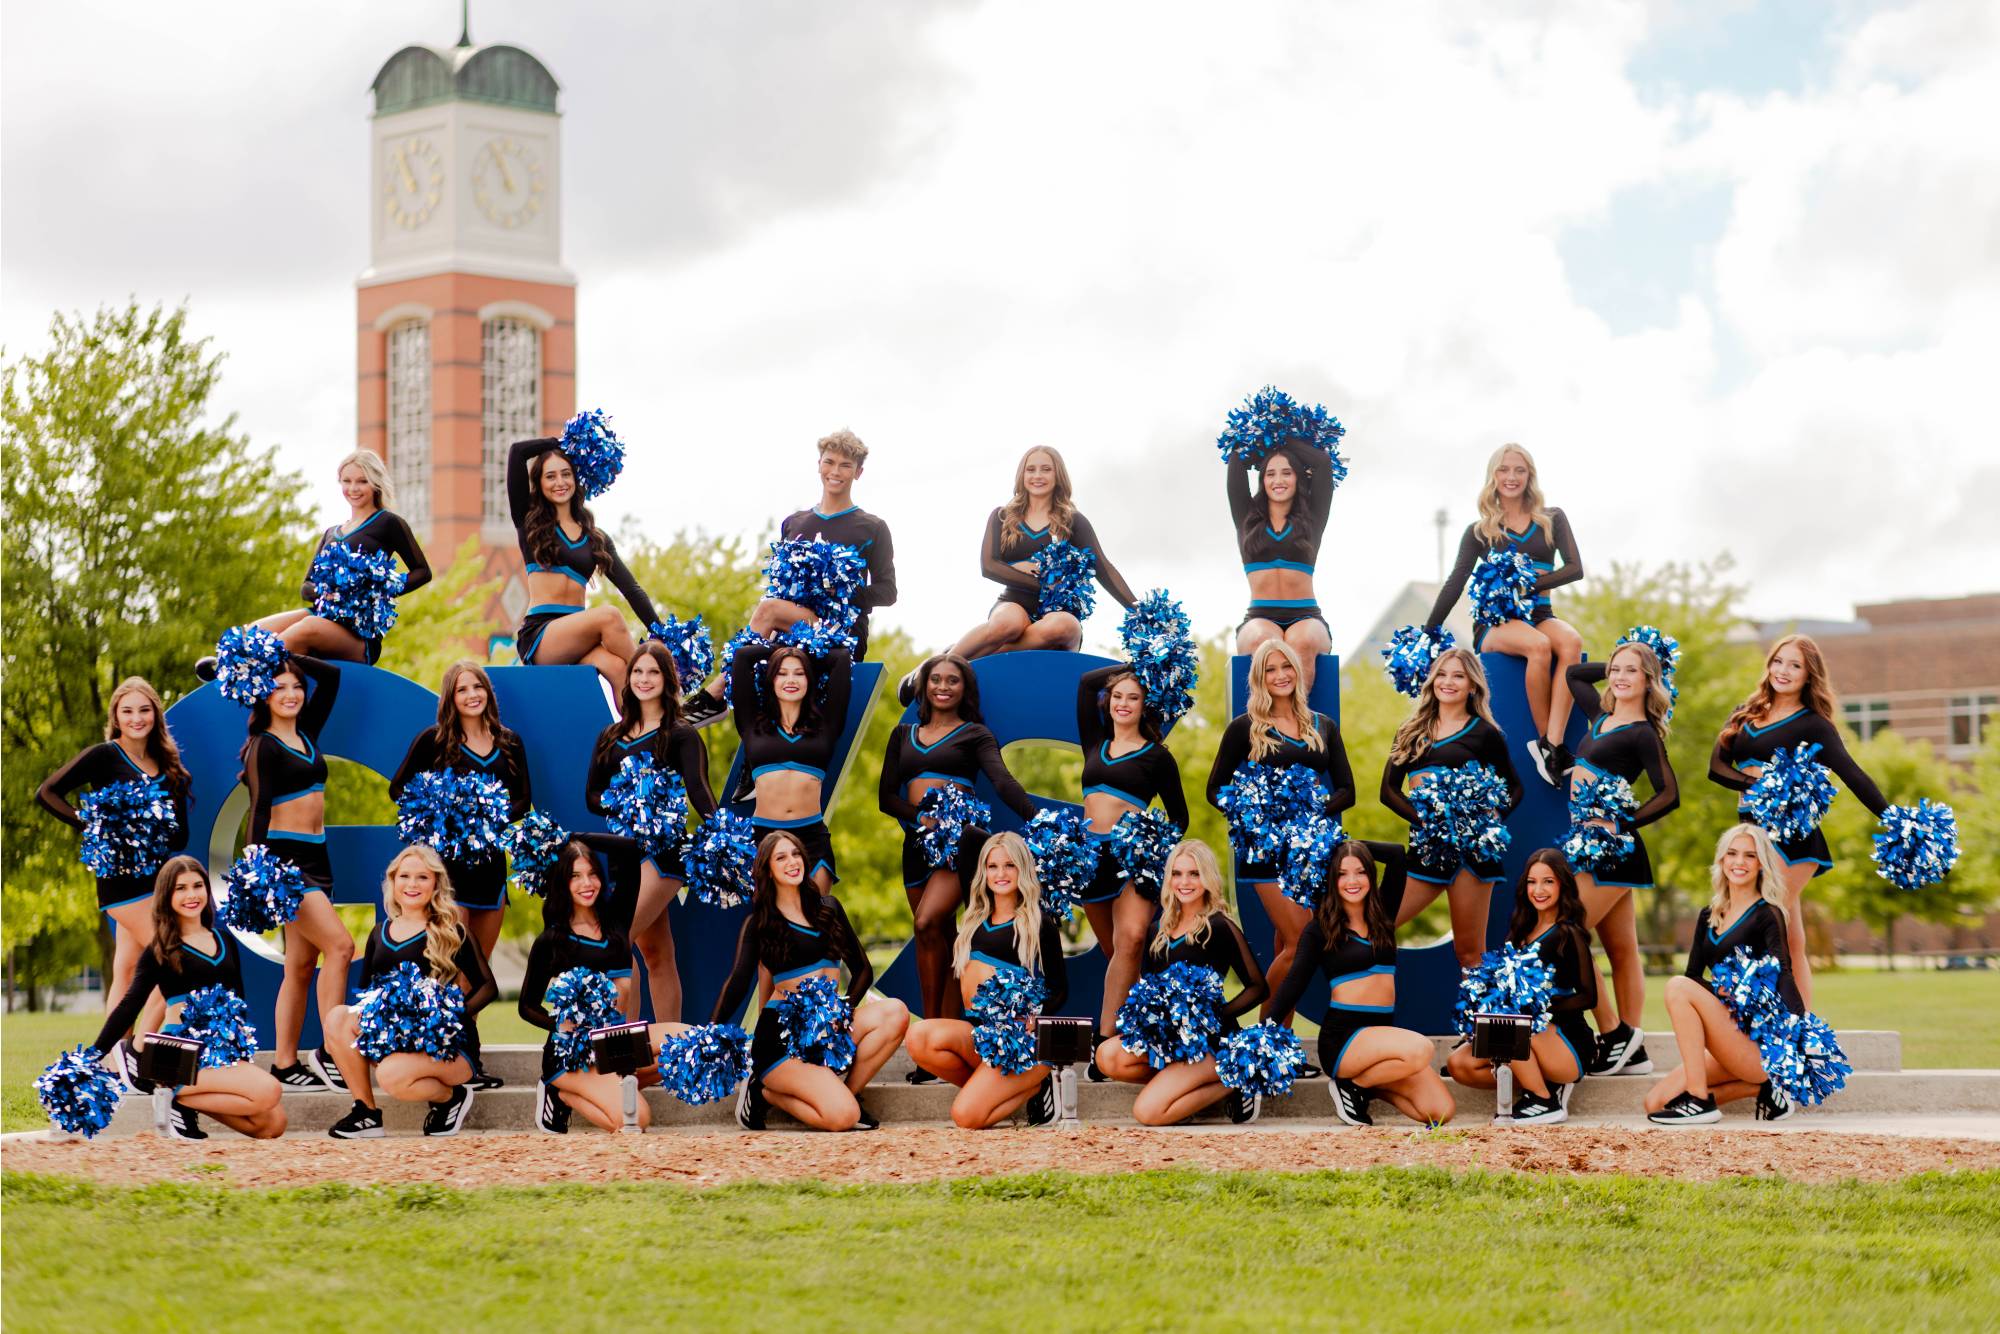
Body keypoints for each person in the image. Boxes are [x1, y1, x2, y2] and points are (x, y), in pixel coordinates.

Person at [1708, 633, 1887, 1006]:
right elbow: (1716, 769)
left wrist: (1892, 818)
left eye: (1795, 665)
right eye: (1778, 661)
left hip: (1793, 841)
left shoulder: (1814, 725)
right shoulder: (1745, 713)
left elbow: (1851, 773)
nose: (1784, 671)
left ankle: (1763, 1013)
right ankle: (1800, 1020)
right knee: (1790, 937)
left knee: (1758, 919)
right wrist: (1758, 783)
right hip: (1751, 836)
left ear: (1809, 676)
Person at [1205, 638, 1354, 1072]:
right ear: (1259, 678)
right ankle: (1263, 1042)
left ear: (1297, 672)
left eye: (1286, 667)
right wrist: (1256, 816)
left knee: (1284, 946)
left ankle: (1279, 1047)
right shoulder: (1245, 728)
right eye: (1270, 669)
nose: (1280, 675)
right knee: (1299, 940)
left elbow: (1347, 790)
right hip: (1265, 853)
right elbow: (1215, 789)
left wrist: (1311, 812)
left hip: (1309, 853)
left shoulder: (1322, 726)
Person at [36, 677, 192, 1077]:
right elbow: (47, 792)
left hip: (157, 881)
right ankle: (138, 1051)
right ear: (116, 717)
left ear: (155, 715)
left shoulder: (167, 765)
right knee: (175, 962)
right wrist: (94, 826)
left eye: (144, 710)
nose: (137, 718)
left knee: (126, 969)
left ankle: (111, 1061)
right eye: (128, 711)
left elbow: (179, 837)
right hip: (121, 882)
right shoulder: (104, 756)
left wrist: (154, 820)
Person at [879, 654, 1038, 1045]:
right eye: (936, 679)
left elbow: (1002, 782)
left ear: (965, 688)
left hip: (958, 844)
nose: (943, 686)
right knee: (936, 937)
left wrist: (1039, 819)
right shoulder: (902, 735)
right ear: (924, 685)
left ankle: (929, 1032)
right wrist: (922, 819)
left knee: (926, 922)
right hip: (916, 843)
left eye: (953, 680)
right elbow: (886, 798)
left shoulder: (975, 734)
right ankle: (943, 1038)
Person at [686, 429, 895, 724]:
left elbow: (888, 592)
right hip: (789, 627)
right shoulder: (795, 523)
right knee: (765, 643)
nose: (835, 472)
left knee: (768, 610)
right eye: (829, 462)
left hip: (840, 632)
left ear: (858, 473)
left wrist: (836, 591)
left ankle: (715, 695)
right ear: (819, 464)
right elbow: (780, 587)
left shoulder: (872, 527)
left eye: (845, 466)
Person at [389, 659, 531, 1087]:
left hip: (491, 869)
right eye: (462, 689)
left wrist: (485, 811)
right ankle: (457, 1055)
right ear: (450, 698)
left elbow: (523, 799)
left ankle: (462, 1055)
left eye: (478, 687)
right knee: (452, 969)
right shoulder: (434, 741)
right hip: (449, 875)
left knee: (479, 973)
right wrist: (448, 810)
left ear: (488, 692)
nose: (472, 695)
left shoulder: (509, 742)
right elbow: (399, 789)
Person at [714, 831, 910, 1132]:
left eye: (795, 854)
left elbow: (862, 971)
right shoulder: (761, 923)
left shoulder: (828, 908)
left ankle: (847, 1094)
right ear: (768, 870)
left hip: (826, 1031)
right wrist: (711, 1032)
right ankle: (763, 1092)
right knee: (842, 1118)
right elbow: (737, 984)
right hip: (782, 1041)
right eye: (781, 857)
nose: (792, 862)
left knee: (895, 1012)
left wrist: (842, 1014)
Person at [87, 857, 286, 1141]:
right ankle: (167, 1084)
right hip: (177, 1052)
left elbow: (237, 1003)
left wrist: (240, 1055)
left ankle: (178, 1100)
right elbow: (129, 1005)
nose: (191, 895)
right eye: (180, 889)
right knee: (269, 1090)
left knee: (273, 1124)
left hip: (218, 1049)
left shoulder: (224, 940)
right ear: (166, 896)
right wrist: (93, 1055)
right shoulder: (161, 948)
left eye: (197, 886)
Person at [1424, 444, 1584, 785]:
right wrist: (1429, 631)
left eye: (1519, 470)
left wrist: (1527, 585)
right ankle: (1544, 744)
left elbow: (1574, 568)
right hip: (1496, 623)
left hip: (1540, 614)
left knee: (1571, 641)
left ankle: (1554, 743)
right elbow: (1455, 582)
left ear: (1530, 476)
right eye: (1504, 469)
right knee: (1539, 646)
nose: (1512, 477)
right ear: (1493, 476)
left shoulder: (1552, 519)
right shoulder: (1480, 531)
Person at [1266, 841, 1454, 1127]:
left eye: (1360, 872)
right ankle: (1351, 1086)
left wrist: (1342, 843)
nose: (1352, 881)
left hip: (1380, 1038)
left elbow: (1397, 855)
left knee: (1441, 1111)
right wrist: (1265, 1031)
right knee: (1421, 1049)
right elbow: (1293, 983)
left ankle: (1364, 1087)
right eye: (1342, 874)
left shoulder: (1384, 914)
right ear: (1332, 878)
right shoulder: (1320, 929)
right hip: (1344, 1039)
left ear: (1370, 875)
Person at [238, 654, 359, 1094]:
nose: (290, 694)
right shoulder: (263, 745)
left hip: (318, 856)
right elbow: (259, 809)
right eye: (279, 686)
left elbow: (332, 676)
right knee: (341, 947)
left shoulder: (307, 732)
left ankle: (285, 1063)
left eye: (295, 686)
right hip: (285, 862)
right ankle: (331, 1049)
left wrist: (283, 654)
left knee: (301, 965)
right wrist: (257, 867)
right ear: (263, 696)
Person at [321, 845, 495, 1139]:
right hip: (397, 1042)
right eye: (404, 876)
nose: (412, 884)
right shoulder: (379, 933)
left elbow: (488, 987)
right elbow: (367, 994)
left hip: (447, 1048)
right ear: (393, 881)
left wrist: (449, 1017)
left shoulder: (451, 931)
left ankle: (450, 1097)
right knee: (337, 1017)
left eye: (422, 877)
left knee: (389, 1075)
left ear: (436, 883)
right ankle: (366, 1112)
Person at [199, 451, 430, 671]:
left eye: (362, 481)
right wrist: (327, 593)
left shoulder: (388, 522)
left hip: (359, 635)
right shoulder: (331, 533)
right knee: (254, 630)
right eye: (347, 481)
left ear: (376, 483)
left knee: (307, 628)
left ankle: (248, 668)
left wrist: (375, 590)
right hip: (323, 615)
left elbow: (422, 571)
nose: (353, 488)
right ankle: (231, 667)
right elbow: (306, 587)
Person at [584, 642, 716, 1022]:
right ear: (628, 680)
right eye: (638, 671)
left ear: (667, 680)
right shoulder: (610, 736)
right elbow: (592, 796)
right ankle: (666, 1047)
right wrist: (629, 801)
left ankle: (630, 1045)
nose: (644, 679)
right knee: (657, 954)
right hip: (624, 855)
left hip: (664, 854)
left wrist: (722, 834)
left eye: (653, 672)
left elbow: (699, 792)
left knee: (616, 940)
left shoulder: (680, 734)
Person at [1094, 840, 1269, 1125]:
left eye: (1194, 874)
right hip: (1170, 1042)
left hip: (1207, 1043)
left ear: (1207, 878)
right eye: (1177, 873)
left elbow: (1258, 987)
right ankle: (1181, 1088)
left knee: (1147, 1113)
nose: (1184, 882)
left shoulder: (1219, 926)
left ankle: (1236, 1077)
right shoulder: (1157, 931)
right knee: (1107, 1056)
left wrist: (1212, 1016)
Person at [1564, 646, 1679, 1076]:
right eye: (1615, 670)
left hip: (1611, 849)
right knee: (1621, 949)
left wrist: (1621, 822)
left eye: (1632, 671)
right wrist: (1625, 660)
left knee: (1567, 934)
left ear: (1649, 680)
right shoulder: (1600, 715)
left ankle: (1614, 1033)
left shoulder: (1643, 733)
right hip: (1587, 845)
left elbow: (1669, 794)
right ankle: (1634, 1050)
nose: (1619, 676)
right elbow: (1575, 675)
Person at [905, 832, 1072, 1128]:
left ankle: (1034, 1085)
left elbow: (1059, 989)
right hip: (980, 1035)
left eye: (1009, 865)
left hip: (1015, 1042)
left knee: (964, 1116)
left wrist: (1034, 1018)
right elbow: (969, 838)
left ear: (1022, 868)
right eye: (992, 866)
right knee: (918, 1037)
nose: (1000, 874)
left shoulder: (1037, 922)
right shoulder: (974, 918)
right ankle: (999, 1090)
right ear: (982, 871)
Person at [1070, 662, 1189, 1069]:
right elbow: (1086, 683)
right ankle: (1142, 1031)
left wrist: (1151, 848)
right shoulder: (1094, 742)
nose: (1123, 703)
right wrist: (1137, 665)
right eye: (1117, 696)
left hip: (1132, 859)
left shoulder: (1157, 757)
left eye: (1133, 697)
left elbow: (1179, 817)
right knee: (1116, 953)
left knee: (1133, 939)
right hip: (1089, 859)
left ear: (1144, 705)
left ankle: (1102, 1041)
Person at [1645, 825, 1807, 1125]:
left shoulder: (1767, 913)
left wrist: (1799, 1027)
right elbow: (1693, 976)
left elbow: (1784, 972)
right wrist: (1722, 992)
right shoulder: (1708, 915)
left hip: (1756, 1045)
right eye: (1732, 854)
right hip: (1727, 1035)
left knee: (1677, 986)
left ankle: (1699, 1100)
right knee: (1655, 1103)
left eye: (1750, 855)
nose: (1739, 862)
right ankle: (1764, 1089)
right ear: (1722, 860)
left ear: (1761, 864)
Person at [1379, 648, 1522, 969]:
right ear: (1432, 681)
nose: (1448, 682)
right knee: (1375, 926)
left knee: (1470, 953)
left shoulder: (1485, 733)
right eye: (1442, 674)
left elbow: (1515, 788)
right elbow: (1388, 791)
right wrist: (1428, 823)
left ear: (1472, 686)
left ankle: (1479, 1005)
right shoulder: (1410, 730)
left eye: (1458, 676)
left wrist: (1487, 825)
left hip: (1471, 856)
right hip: (1427, 851)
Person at [941, 446, 1138, 664]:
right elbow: (989, 566)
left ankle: (973, 655)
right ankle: (939, 667)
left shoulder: (1073, 521)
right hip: (1013, 603)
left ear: (1058, 475)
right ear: (1022, 475)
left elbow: (1103, 568)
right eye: (1031, 469)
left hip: (1057, 613)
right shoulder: (1002, 516)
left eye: (1046, 469)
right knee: (1008, 623)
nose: (1037, 476)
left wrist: (1138, 610)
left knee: (1063, 627)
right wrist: (1042, 583)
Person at [1444, 851, 1597, 1124]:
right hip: (1523, 1032)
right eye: (1531, 882)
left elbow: (1588, 997)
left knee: (1512, 1020)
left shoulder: (1567, 934)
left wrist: (1537, 1007)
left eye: (1548, 881)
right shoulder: (1521, 931)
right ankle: (1538, 1082)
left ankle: (1543, 1100)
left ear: (1562, 884)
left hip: (1565, 1044)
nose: (1538, 890)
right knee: (1460, 1064)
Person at [505, 434, 661, 691]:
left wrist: (662, 633)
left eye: (566, 474)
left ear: (576, 479)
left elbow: (632, 590)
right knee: (609, 616)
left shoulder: (596, 538)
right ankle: (657, 680)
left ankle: (643, 716)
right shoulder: (528, 521)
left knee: (618, 668)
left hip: (580, 636)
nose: (560, 482)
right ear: (540, 483)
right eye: (551, 476)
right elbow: (517, 452)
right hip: (541, 636)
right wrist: (561, 443)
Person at [518, 834, 648, 1133]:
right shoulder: (552, 939)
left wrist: (573, 838)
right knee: (636, 1119)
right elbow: (526, 1006)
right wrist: (561, 1027)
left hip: (616, 1044)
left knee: (680, 1040)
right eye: (575, 876)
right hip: (573, 1054)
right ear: (562, 882)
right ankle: (559, 1092)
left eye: (592, 874)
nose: (586, 883)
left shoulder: (616, 920)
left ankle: (595, 1088)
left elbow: (629, 850)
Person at [727, 638, 853, 892]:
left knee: (816, 913)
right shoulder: (752, 724)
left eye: (799, 673)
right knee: (770, 915)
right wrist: (780, 651)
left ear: (809, 680)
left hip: (812, 837)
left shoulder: (826, 726)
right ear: (771, 680)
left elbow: (841, 658)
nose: (791, 680)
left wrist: (801, 652)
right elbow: (742, 657)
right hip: (764, 837)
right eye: (782, 673)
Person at [1228, 429, 1339, 693]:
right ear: (1262, 480)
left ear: (1298, 477)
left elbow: (1322, 462)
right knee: (1267, 643)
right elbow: (1236, 459)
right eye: (1270, 474)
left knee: (1301, 643)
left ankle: (1297, 717)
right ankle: (1266, 718)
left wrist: (1280, 437)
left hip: (1307, 616)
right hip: (1259, 616)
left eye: (1287, 473)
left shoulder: (1313, 517)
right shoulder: (1246, 517)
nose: (1278, 480)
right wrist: (1265, 435)